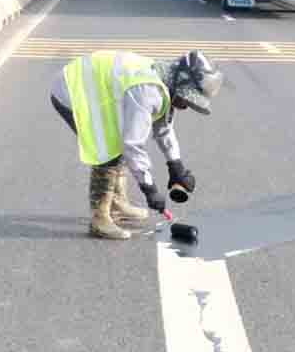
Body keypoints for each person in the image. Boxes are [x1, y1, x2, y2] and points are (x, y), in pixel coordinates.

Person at [50, 50, 221, 240]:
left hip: (93, 87)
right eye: (188, 98)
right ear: (181, 82)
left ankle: (117, 202)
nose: (187, 105)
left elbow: (164, 128)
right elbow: (132, 145)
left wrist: (176, 166)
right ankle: (100, 219)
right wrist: (149, 188)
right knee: (108, 149)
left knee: (117, 144)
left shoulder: (164, 81)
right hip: (72, 90)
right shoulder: (147, 91)